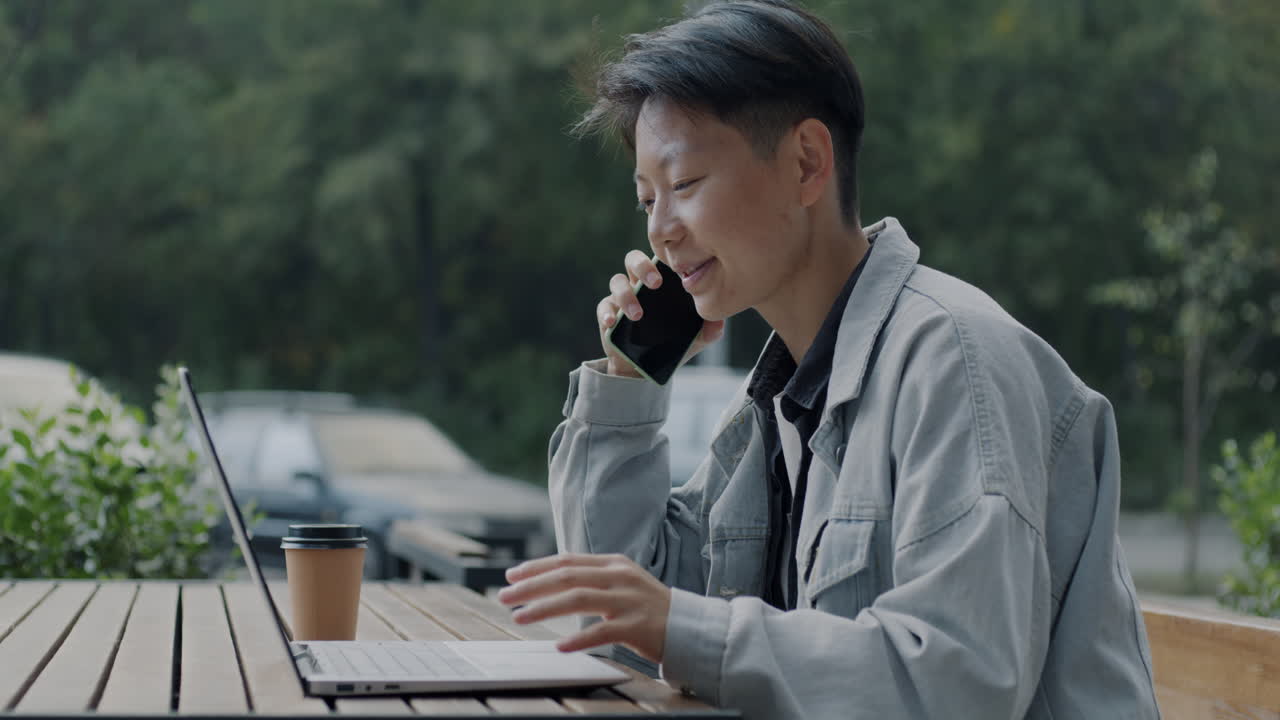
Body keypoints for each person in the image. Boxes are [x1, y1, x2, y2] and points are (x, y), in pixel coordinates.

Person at [496, 1, 1161, 717]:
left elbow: (956, 681)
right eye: (646, 199)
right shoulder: (773, 406)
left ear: (807, 163)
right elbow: (616, 623)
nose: (661, 231)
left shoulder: (956, 362)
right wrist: (629, 382)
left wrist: (682, 629)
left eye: (683, 185)